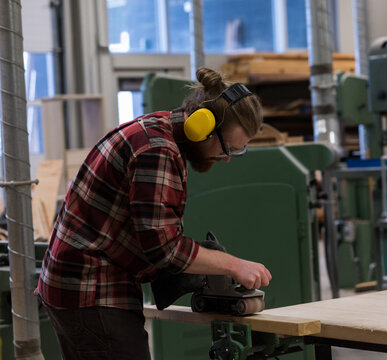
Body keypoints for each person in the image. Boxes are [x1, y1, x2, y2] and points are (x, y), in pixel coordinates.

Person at [36, 67, 272, 360]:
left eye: (237, 152)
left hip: (78, 285)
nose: (226, 158)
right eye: (227, 148)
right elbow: (165, 250)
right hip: (91, 289)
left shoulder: (158, 130)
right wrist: (232, 265)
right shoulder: (157, 150)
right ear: (202, 126)